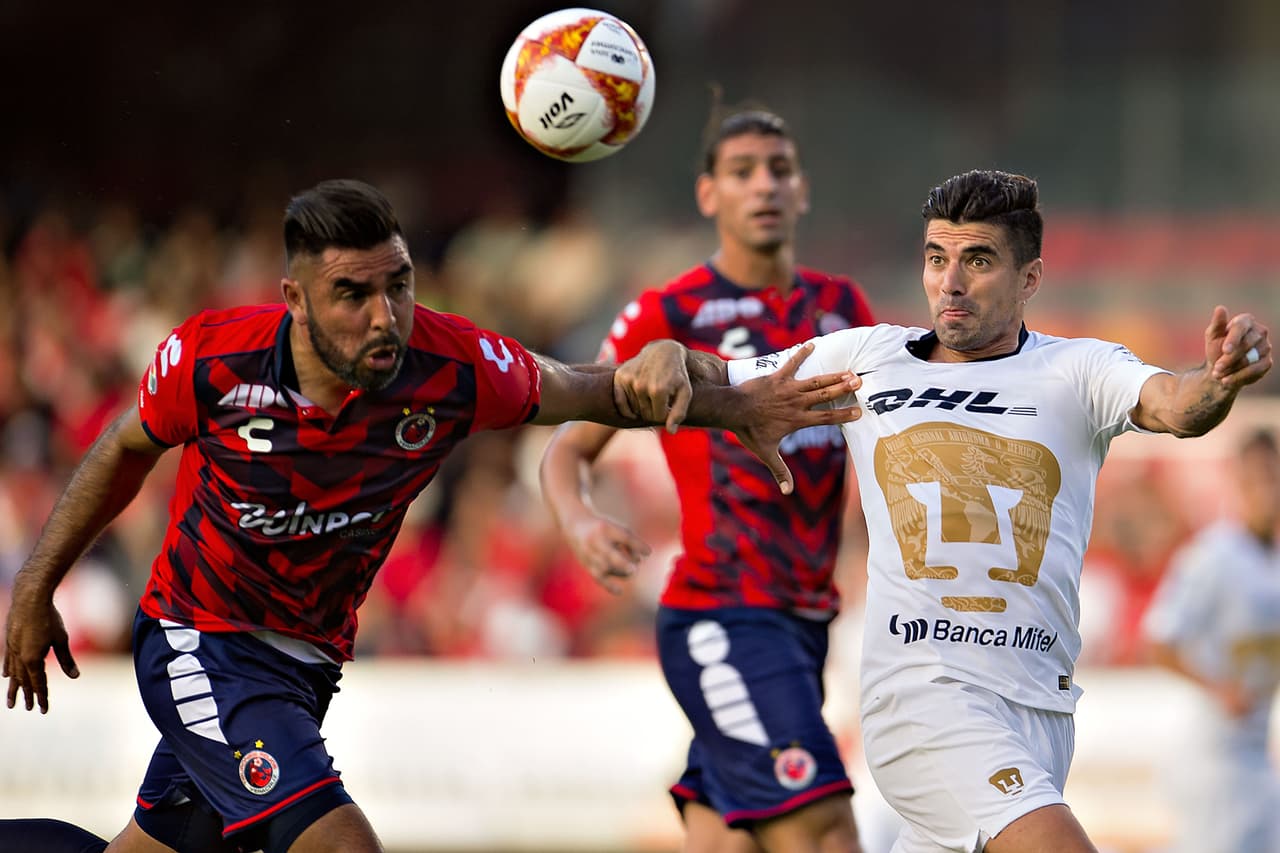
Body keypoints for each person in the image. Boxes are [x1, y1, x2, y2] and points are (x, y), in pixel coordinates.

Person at [0, 179, 861, 853]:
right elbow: (121, 449)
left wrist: (702, 381)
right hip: (201, 637)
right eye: (351, 294)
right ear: (294, 298)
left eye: (399, 285)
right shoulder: (212, 358)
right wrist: (37, 586)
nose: (385, 316)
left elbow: (599, 390)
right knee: (337, 844)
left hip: (306, 666)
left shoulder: (451, 364)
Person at [653, 168, 1273, 852]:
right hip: (925, 695)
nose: (950, 281)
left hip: (1039, 707)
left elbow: (1176, 406)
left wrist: (1216, 381)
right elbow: (719, 377)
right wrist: (663, 356)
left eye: (977, 260)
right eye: (936, 258)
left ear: (1030, 278)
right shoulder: (867, 356)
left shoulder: (1080, 370)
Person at [540, 106, 871, 853]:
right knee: (822, 830)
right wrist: (580, 520)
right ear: (708, 194)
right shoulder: (669, 315)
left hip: (807, 622)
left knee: (729, 841)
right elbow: (566, 449)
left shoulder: (842, 307)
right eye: (743, 171)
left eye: (779, 170)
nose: (765, 186)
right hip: (726, 614)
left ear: (804, 190)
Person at [1142, 428, 1280, 853]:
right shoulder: (1212, 557)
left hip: (1258, 751)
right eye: (1259, 479)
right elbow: (1159, 640)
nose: (1269, 491)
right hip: (1212, 756)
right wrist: (1218, 688)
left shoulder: (1271, 561)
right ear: (1239, 482)